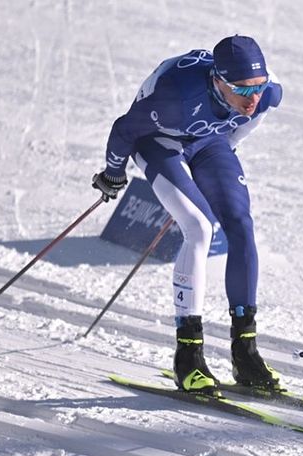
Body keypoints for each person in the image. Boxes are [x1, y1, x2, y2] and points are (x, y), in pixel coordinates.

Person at [92, 35, 283, 394]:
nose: (253, 98)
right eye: (243, 90)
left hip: (208, 142)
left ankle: (245, 352)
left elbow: (253, 115)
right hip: (159, 139)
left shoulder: (264, 92)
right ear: (218, 81)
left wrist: (226, 144)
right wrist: (113, 174)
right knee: (198, 227)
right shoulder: (175, 97)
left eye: (258, 86)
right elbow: (124, 130)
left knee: (241, 225)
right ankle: (188, 356)